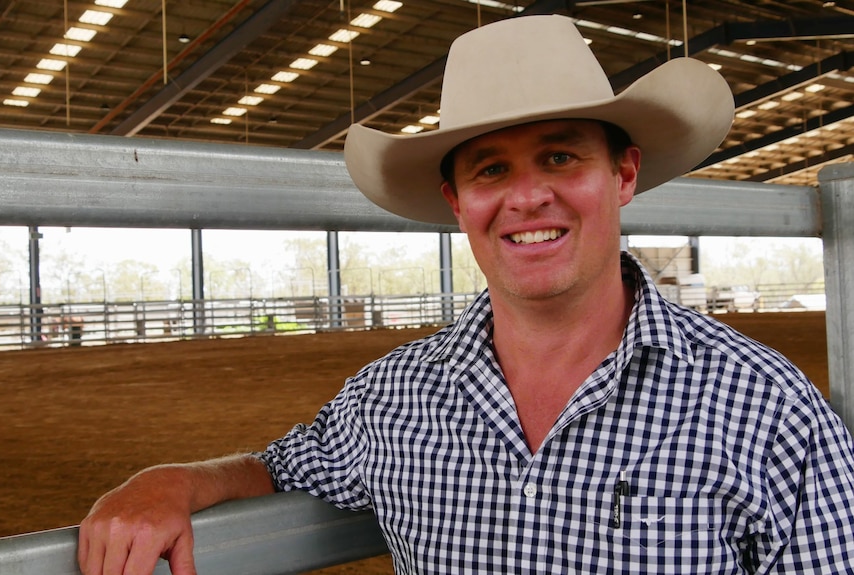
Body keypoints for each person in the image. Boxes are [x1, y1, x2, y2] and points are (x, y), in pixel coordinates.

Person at [79, 15, 854, 575]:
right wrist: (172, 480)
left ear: (622, 175)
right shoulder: (391, 400)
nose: (526, 198)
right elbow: (279, 467)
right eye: (490, 170)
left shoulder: (768, 411)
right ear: (458, 203)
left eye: (560, 155)